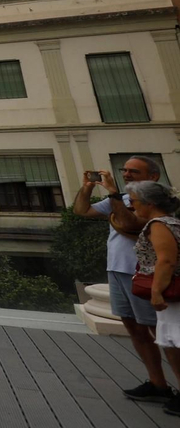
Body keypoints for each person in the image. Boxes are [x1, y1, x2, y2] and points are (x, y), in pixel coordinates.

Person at [73, 155, 173, 403]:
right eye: (124, 170)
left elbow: (130, 224)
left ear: (153, 177)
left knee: (162, 332)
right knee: (135, 329)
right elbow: (82, 211)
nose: (126, 175)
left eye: (134, 172)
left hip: (145, 274)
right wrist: (87, 188)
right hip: (118, 271)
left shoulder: (159, 203)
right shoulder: (125, 199)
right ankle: (158, 384)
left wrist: (114, 195)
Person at [129, 180, 180, 417]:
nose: (132, 206)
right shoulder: (170, 222)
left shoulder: (159, 225)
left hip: (172, 293)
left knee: (176, 342)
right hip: (171, 292)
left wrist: (157, 291)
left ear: (149, 203)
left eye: (134, 201)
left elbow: (166, 260)